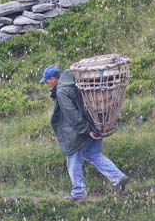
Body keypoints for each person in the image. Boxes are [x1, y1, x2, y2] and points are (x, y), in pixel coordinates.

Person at [40, 65, 129, 200]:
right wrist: (91, 128)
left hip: (77, 132)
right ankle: (118, 177)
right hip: (95, 123)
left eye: (47, 81)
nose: (47, 84)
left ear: (53, 79)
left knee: (73, 158)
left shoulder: (62, 91)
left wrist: (85, 130)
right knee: (93, 153)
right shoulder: (77, 82)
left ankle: (78, 193)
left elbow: (72, 113)